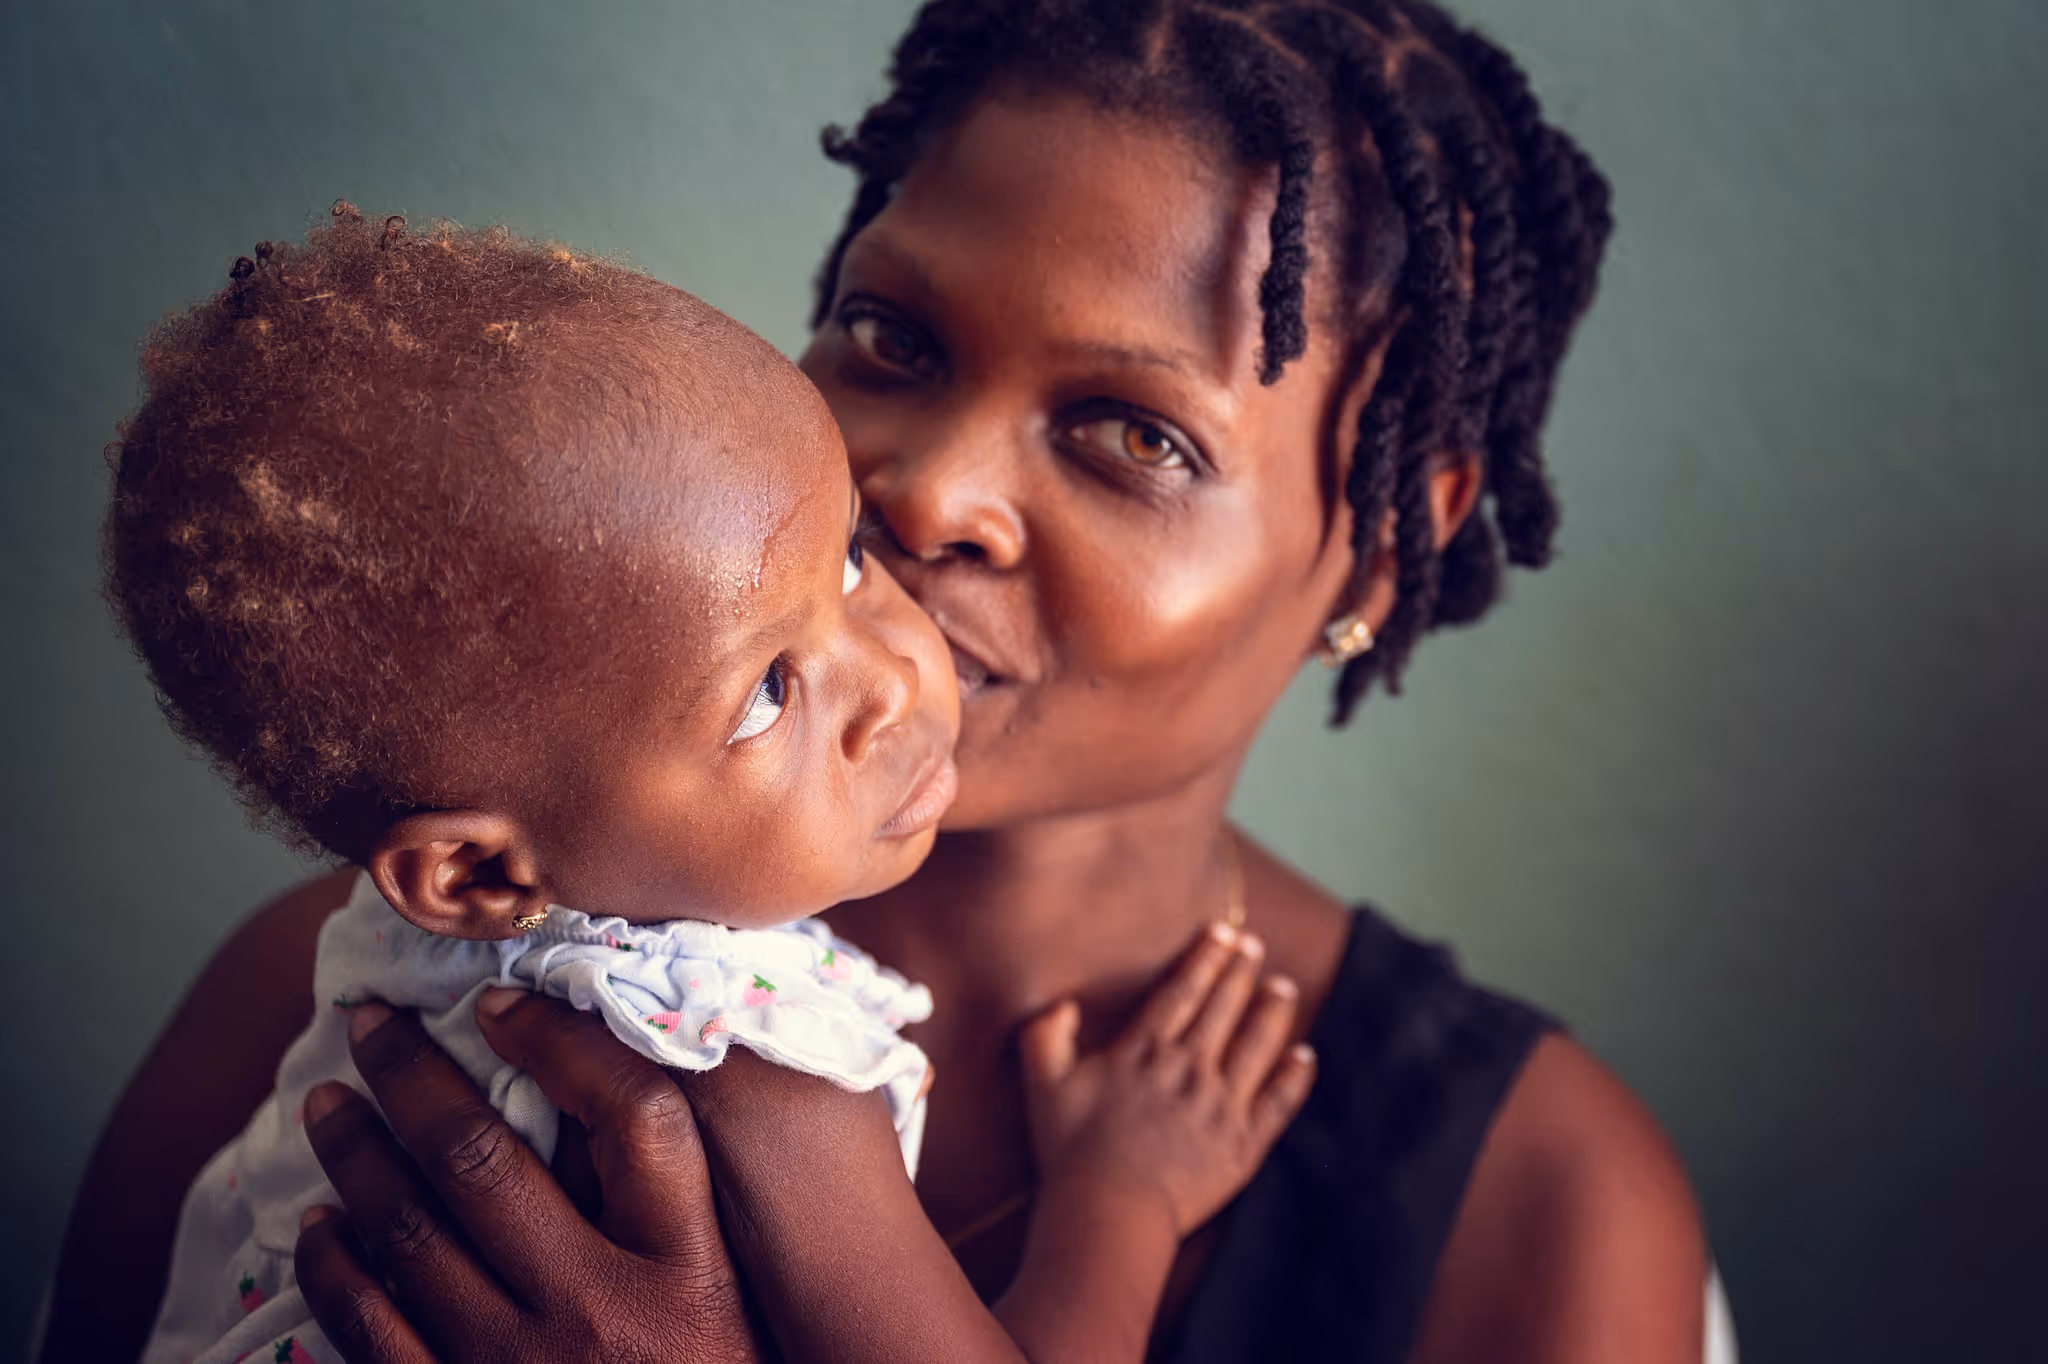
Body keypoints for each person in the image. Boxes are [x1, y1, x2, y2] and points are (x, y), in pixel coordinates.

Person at [44, 1, 1719, 1360]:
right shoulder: (342, 1010)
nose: (921, 490)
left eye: (1132, 433)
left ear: (1376, 539)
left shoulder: (1532, 1205)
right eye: (891, 336)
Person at [79, 205, 1316, 1364]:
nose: (891, 675)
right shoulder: (740, 1072)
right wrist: (1122, 1198)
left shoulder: (375, 974)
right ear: (474, 871)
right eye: (767, 693)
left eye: (842, 563)